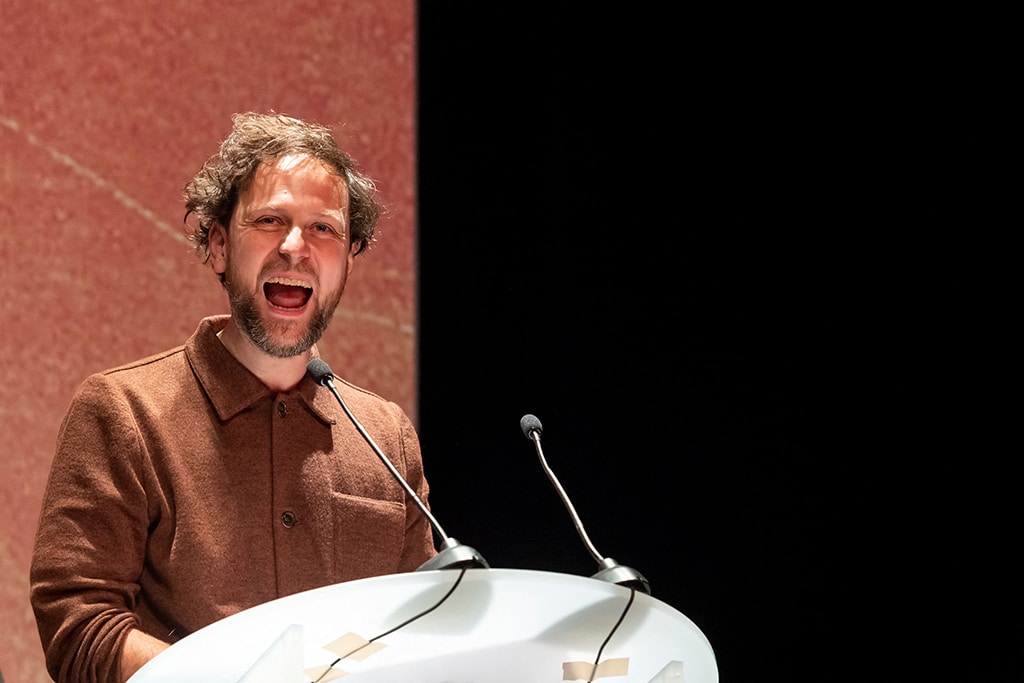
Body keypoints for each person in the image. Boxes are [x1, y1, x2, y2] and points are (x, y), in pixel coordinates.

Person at [29, 112, 437, 683]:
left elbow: (423, 628)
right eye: (271, 220)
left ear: (349, 260)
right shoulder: (123, 411)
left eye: (324, 229)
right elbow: (78, 628)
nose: (296, 247)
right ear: (218, 244)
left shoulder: (386, 434)